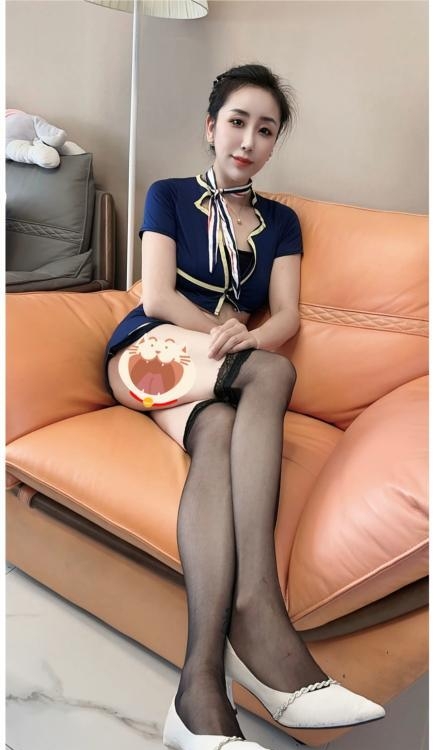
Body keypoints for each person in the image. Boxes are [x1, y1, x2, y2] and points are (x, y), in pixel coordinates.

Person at [106, 64, 385, 750]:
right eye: (236, 122)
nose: (248, 140)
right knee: (271, 373)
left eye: (265, 130)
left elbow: (286, 313)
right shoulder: (169, 194)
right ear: (211, 127)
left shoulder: (281, 223)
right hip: (149, 354)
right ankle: (258, 610)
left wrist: (251, 338)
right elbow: (156, 297)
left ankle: (198, 693)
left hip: (212, 379)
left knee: (223, 429)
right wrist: (228, 336)